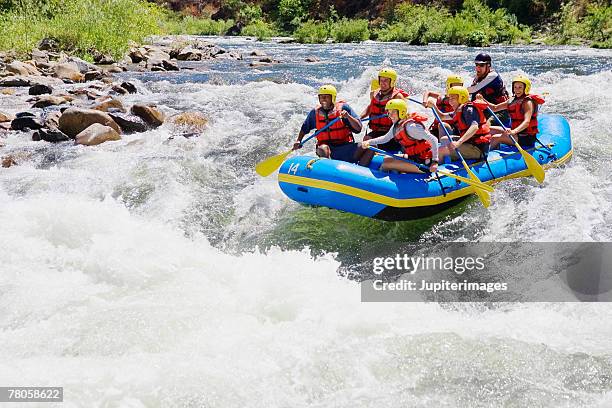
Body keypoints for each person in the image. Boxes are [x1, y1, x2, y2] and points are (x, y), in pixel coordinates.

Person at [360, 99, 439, 174]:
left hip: (424, 163)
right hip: (413, 158)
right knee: (386, 159)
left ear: (401, 112)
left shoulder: (411, 127)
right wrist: (369, 142)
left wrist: (435, 162)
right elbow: (385, 138)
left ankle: (378, 186)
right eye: (389, 112)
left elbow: (434, 139)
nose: (390, 115)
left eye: (393, 112)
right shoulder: (397, 125)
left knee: (386, 165)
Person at [293, 85, 364, 162]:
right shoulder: (314, 113)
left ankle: (361, 169)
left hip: (345, 146)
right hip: (327, 148)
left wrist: (348, 117)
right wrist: (299, 140)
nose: (323, 99)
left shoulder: (344, 109)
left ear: (333, 98)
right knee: (322, 149)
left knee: (365, 146)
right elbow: (305, 128)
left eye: (326, 97)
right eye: (321, 97)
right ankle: (329, 168)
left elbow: (358, 128)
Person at [358, 68, 409, 166]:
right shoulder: (374, 94)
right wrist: (359, 118)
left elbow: (404, 116)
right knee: (366, 138)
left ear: (392, 82)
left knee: (368, 140)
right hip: (377, 131)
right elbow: (370, 108)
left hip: (392, 133)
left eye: (386, 80)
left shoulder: (398, 97)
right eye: (381, 80)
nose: (383, 83)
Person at [478, 75, 545, 149]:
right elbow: (494, 108)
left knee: (495, 137)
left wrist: (514, 131)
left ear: (526, 88)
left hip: (526, 137)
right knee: (487, 129)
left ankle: (484, 157)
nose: (517, 90)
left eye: (520, 87)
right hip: (515, 132)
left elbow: (527, 122)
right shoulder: (512, 101)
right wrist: (483, 99)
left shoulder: (527, 102)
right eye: (515, 87)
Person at [427, 86, 491, 161]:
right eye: (449, 99)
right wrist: (433, 106)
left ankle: (436, 168)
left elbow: (475, 127)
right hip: (469, 142)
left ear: (462, 98)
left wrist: (458, 143)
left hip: (478, 148)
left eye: (453, 98)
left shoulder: (469, 110)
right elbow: (441, 117)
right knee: (444, 139)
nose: (450, 102)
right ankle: (451, 158)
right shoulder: (458, 110)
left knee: (440, 151)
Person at [468, 53, 509, 124]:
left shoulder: (493, 76)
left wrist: (458, 91)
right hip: (487, 109)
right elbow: (473, 95)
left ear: (488, 66)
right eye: (476, 65)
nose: (478, 67)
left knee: (488, 123)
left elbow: (473, 90)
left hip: (500, 111)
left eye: (481, 65)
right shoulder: (478, 76)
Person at [422, 74, 463, 138]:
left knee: (442, 126)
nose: (456, 89)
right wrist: (425, 101)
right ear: (448, 85)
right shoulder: (441, 97)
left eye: (459, 86)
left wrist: (433, 106)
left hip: (451, 129)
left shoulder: (462, 101)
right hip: (436, 128)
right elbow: (428, 92)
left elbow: (442, 116)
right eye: (454, 86)